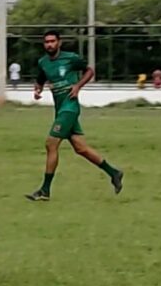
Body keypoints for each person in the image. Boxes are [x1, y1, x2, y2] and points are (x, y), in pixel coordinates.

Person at [25, 30, 123, 201]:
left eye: (52, 41)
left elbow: (89, 71)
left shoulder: (71, 58)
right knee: (81, 148)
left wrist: (77, 86)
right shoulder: (43, 62)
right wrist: (37, 89)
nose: (49, 44)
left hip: (70, 108)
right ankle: (114, 173)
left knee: (51, 144)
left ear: (59, 42)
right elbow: (40, 78)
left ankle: (45, 190)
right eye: (46, 42)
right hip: (60, 108)